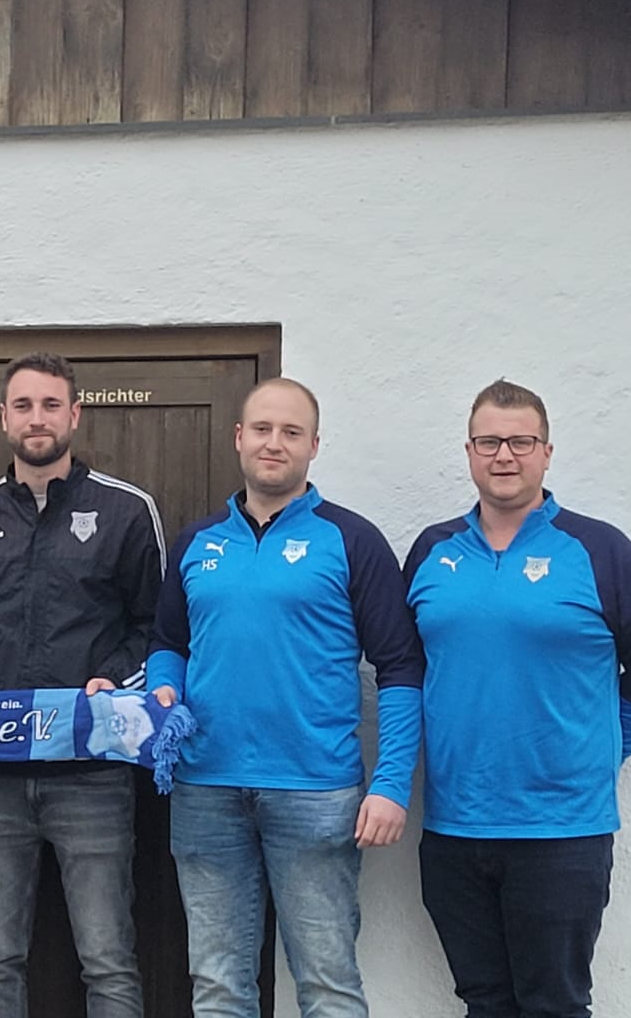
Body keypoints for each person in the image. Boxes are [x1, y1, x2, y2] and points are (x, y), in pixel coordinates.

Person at [146, 378, 424, 1018]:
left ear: (314, 445)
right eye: (263, 429)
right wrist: (164, 689)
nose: (275, 443)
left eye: (291, 432)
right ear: (239, 438)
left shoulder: (351, 540)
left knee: (327, 984)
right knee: (218, 986)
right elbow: (169, 643)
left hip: (316, 793)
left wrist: (390, 784)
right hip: (205, 789)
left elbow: (401, 667)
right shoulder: (198, 542)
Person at [405, 379, 631, 1018]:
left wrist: (593, 750)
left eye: (521, 441)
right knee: (484, 1003)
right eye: (489, 442)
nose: (504, 455)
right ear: (469, 452)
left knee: (554, 1004)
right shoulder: (432, 551)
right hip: (453, 826)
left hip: (562, 831)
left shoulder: (600, 550)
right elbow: (407, 669)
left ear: (546, 453)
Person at [0, 352, 165, 1018]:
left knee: (108, 959)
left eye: (50, 405)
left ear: (75, 415)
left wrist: (114, 679)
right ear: (4, 418)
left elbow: (155, 629)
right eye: (24, 406)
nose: (37, 418)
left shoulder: (126, 510)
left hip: (91, 775)